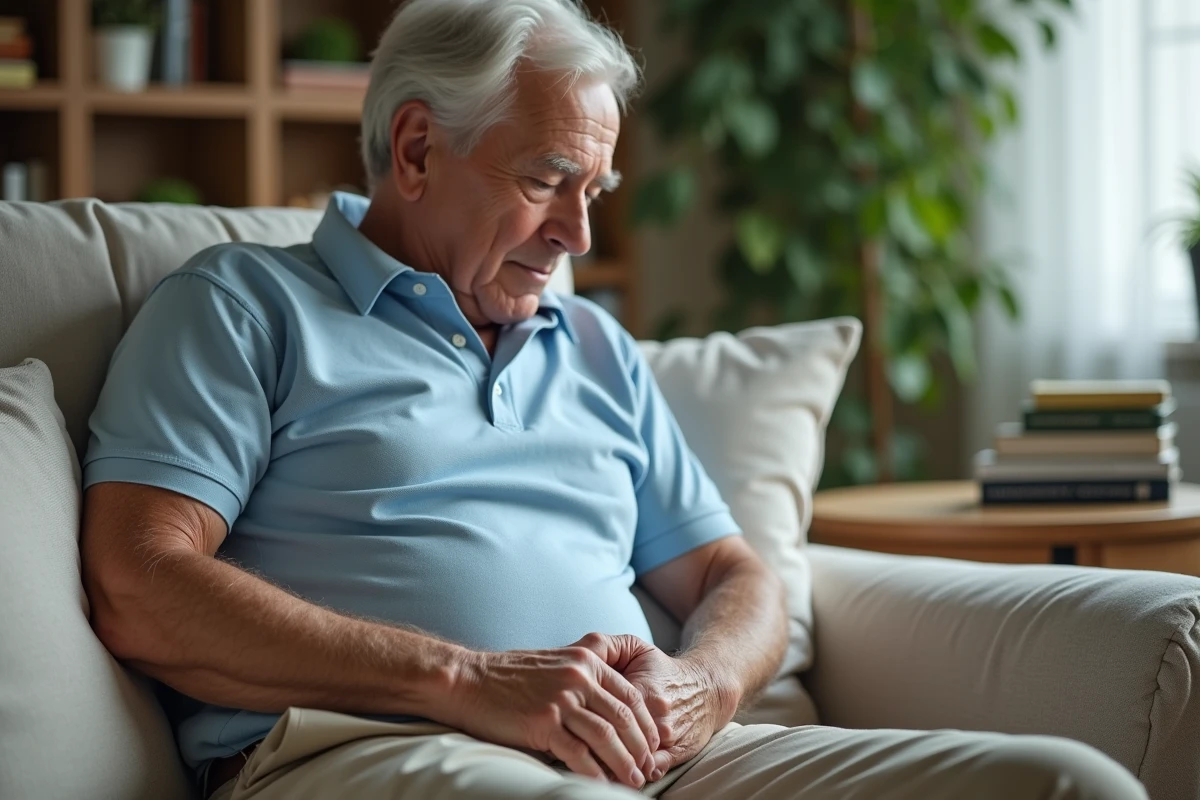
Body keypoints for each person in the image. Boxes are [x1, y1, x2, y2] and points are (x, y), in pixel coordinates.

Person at [79, 1, 1147, 798]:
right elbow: (139, 575)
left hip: (653, 752)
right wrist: (469, 678)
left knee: (1062, 781)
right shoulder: (241, 305)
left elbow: (736, 573)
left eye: (595, 192)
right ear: (415, 149)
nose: (579, 237)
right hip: (371, 746)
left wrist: (703, 687)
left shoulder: (590, 341)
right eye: (548, 180)